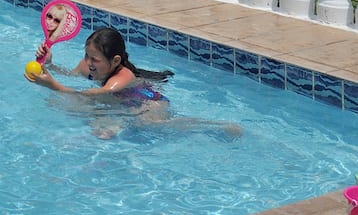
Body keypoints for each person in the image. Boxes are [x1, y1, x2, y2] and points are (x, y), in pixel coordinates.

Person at [27, 27, 240, 139]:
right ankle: (110, 129)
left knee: (154, 126)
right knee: (94, 116)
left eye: (95, 59)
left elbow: (89, 95)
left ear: (115, 61)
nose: (89, 64)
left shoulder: (122, 78)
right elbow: (71, 77)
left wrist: (53, 86)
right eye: (87, 56)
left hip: (146, 103)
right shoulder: (88, 65)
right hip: (119, 103)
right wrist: (51, 65)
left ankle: (216, 127)